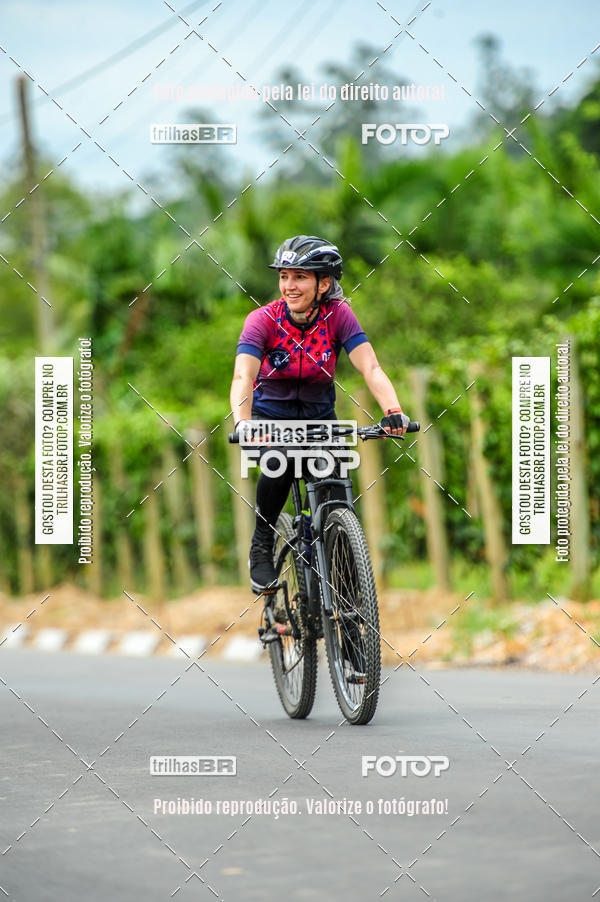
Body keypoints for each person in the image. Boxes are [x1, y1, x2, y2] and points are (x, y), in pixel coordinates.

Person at [229, 235, 410, 594]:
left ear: (323, 283)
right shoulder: (262, 320)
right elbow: (242, 376)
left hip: (319, 418)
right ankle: (262, 543)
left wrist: (393, 410)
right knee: (280, 463)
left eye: (300, 277)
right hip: (270, 419)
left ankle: (347, 593)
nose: (289, 286)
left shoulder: (338, 316)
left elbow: (370, 367)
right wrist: (243, 423)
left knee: (336, 494)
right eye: (284, 276)